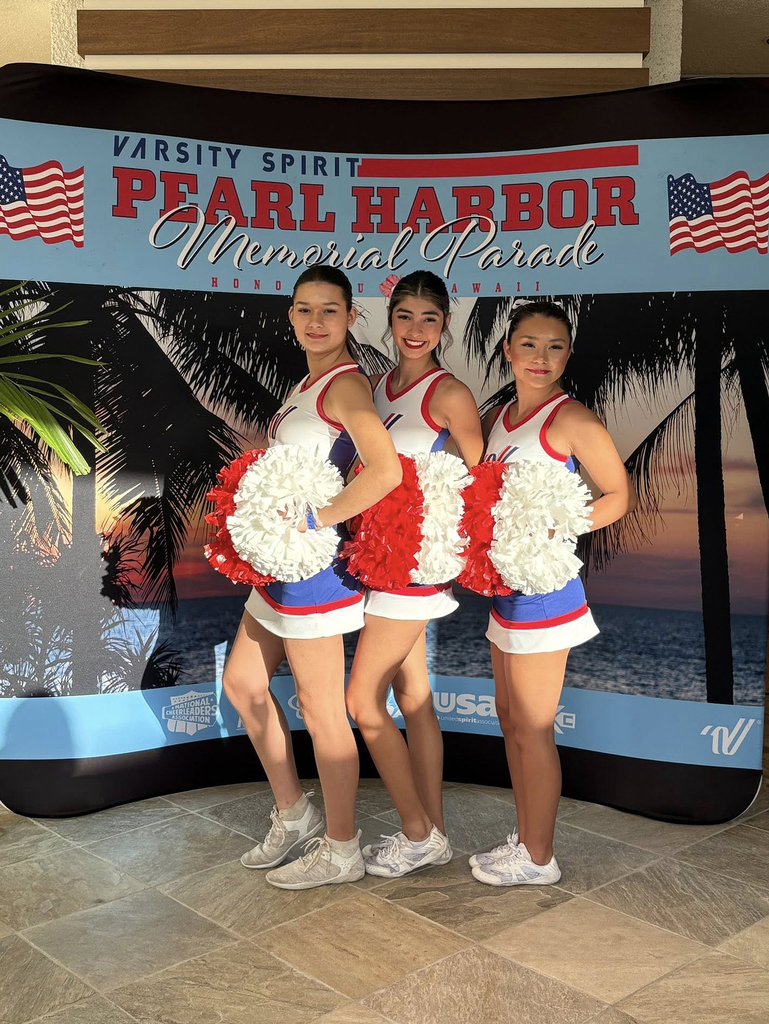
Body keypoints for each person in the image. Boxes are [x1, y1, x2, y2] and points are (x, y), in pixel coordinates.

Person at [222, 266, 402, 890]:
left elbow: (384, 472)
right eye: (304, 309)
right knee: (243, 683)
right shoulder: (307, 383)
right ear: (291, 315)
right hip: (277, 568)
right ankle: (295, 812)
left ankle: (343, 847)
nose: (315, 320)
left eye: (330, 310)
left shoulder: (346, 386)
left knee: (324, 713)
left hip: (313, 574)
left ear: (352, 318)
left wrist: (314, 519)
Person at [470, 300, 635, 886]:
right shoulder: (504, 417)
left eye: (555, 346)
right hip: (505, 593)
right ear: (509, 350)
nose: (541, 358)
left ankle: (540, 858)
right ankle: (526, 837)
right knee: (511, 719)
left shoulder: (572, 420)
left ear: (568, 354)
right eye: (529, 345)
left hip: (545, 592)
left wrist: (556, 524)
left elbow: (617, 495)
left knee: (533, 728)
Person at [345, 271, 484, 877]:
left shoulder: (448, 393)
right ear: (390, 319)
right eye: (405, 317)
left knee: (361, 701)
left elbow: (474, 476)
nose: (417, 330)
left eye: (430, 319)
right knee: (415, 697)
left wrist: (423, 513)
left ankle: (417, 831)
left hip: (412, 564)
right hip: (377, 555)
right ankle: (436, 831)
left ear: (444, 326)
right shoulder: (375, 387)